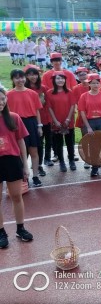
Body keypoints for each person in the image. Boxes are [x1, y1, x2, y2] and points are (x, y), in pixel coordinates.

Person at [0, 87, 34, 249]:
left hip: (12, 161)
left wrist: (25, 166)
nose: (0, 102)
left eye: (2, 99)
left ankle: (20, 228)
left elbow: (21, 141)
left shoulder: (13, 118)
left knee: (16, 196)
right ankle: (1, 232)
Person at [7, 69, 44, 187]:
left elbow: (37, 111)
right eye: (17, 78)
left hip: (31, 123)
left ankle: (35, 176)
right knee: (20, 152)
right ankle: (24, 176)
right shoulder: (8, 95)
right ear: (12, 80)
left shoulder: (32, 93)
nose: (20, 80)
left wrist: (39, 126)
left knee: (34, 150)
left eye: (22, 77)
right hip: (16, 124)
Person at [78, 74, 101, 177]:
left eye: (97, 82)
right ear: (89, 84)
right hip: (90, 122)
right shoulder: (84, 96)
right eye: (93, 83)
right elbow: (82, 112)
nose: (95, 85)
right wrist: (88, 126)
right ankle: (95, 167)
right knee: (93, 146)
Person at [46, 72, 76, 171]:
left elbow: (72, 105)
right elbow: (49, 108)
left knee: (69, 142)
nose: (60, 80)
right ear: (54, 80)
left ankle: (71, 160)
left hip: (68, 121)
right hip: (56, 122)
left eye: (62, 78)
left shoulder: (69, 92)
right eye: (58, 78)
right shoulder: (49, 93)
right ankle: (62, 162)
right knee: (58, 143)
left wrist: (68, 118)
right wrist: (55, 120)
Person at [24, 65, 52, 174]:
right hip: (32, 120)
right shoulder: (25, 89)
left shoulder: (43, 88)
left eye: (35, 74)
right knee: (36, 143)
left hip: (45, 118)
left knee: (48, 140)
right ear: (26, 76)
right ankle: (32, 165)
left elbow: (47, 103)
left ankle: (43, 161)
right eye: (30, 74)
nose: (33, 77)